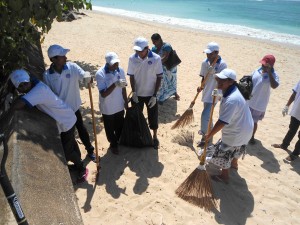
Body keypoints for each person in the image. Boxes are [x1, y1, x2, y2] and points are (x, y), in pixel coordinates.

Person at [9, 69, 88, 183]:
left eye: (25, 83)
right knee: (70, 143)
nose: (24, 87)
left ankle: (82, 167)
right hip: (66, 117)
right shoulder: (35, 84)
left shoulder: (38, 91)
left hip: (66, 121)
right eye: (20, 86)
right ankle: (77, 162)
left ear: (29, 81)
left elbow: (17, 106)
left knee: (66, 152)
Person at [43, 44, 96, 161]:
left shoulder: (72, 67)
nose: (65, 57)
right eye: (62, 56)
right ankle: (74, 158)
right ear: (54, 59)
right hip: (61, 112)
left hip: (74, 107)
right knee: (66, 135)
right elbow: (49, 95)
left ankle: (90, 150)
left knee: (81, 129)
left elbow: (84, 76)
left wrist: (88, 78)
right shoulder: (47, 76)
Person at [204, 69, 254, 183]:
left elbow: (222, 122)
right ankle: (234, 164)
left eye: (223, 80)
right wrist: (218, 96)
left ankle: (224, 176)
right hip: (246, 129)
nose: (219, 81)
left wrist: (209, 135)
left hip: (237, 132)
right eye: (218, 79)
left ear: (231, 82)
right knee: (237, 148)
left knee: (225, 151)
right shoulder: (235, 90)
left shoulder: (232, 99)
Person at [127, 37, 163, 149]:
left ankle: (155, 137)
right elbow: (131, 76)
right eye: (136, 50)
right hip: (137, 94)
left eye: (140, 50)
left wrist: (154, 95)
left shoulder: (156, 59)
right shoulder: (132, 58)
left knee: (153, 117)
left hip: (150, 95)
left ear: (147, 48)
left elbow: (159, 77)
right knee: (136, 117)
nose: (138, 53)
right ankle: (138, 137)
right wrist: (134, 92)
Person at [95, 52, 128, 155]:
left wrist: (125, 101)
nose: (116, 65)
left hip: (119, 105)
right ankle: (113, 144)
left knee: (120, 126)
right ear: (108, 63)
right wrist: (115, 84)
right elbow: (104, 94)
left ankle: (118, 141)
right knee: (109, 129)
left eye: (117, 63)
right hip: (107, 107)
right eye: (114, 64)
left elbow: (123, 88)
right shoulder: (100, 74)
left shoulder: (120, 70)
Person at [197, 42, 227, 147]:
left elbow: (222, 81)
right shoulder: (204, 63)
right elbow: (203, 77)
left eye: (210, 54)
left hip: (216, 93)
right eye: (207, 53)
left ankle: (205, 138)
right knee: (208, 117)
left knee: (205, 115)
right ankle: (209, 138)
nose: (208, 56)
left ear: (216, 53)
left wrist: (213, 71)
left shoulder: (222, 64)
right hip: (206, 92)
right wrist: (201, 86)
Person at [247, 54, 279, 144]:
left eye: (265, 64)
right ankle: (245, 134)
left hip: (260, 103)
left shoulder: (274, 75)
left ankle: (251, 137)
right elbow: (250, 81)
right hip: (249, 100)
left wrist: (269, 73)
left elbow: (274, 86)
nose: (262, 65)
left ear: (271, 65)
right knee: (246, 118)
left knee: (254, 122)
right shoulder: (257, 70)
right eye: (262, 63)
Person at [272, 80, 300, 162]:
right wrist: (287, 105)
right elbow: (294, 93)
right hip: (297, 111)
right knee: (292, 129)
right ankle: (284, 145)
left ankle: (295, 153)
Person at [151, 33, 180, 103]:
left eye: (155, 42)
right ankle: (162, 97)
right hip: (161, 68)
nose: (154, 43)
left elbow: (165, 57)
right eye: (153, 42)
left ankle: (175, 94)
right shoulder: (154, 48)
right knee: (163, 83)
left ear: (159, 39)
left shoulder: (166, 46)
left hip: (170, 68)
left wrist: (157, 62)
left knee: (172, 82)